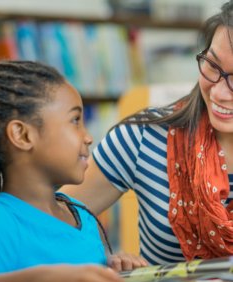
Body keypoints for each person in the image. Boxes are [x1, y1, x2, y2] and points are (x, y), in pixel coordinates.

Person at [0, 61, 147, 282]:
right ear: (22, 135)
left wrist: (115, 269)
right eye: (75, 120)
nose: (88, 137)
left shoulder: (80, 213)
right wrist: (38, 280)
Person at [59, 0, 233, 266]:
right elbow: (45, 226)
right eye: (212, 65)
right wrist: (99, 261)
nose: (219, 92)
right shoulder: (143, 138)